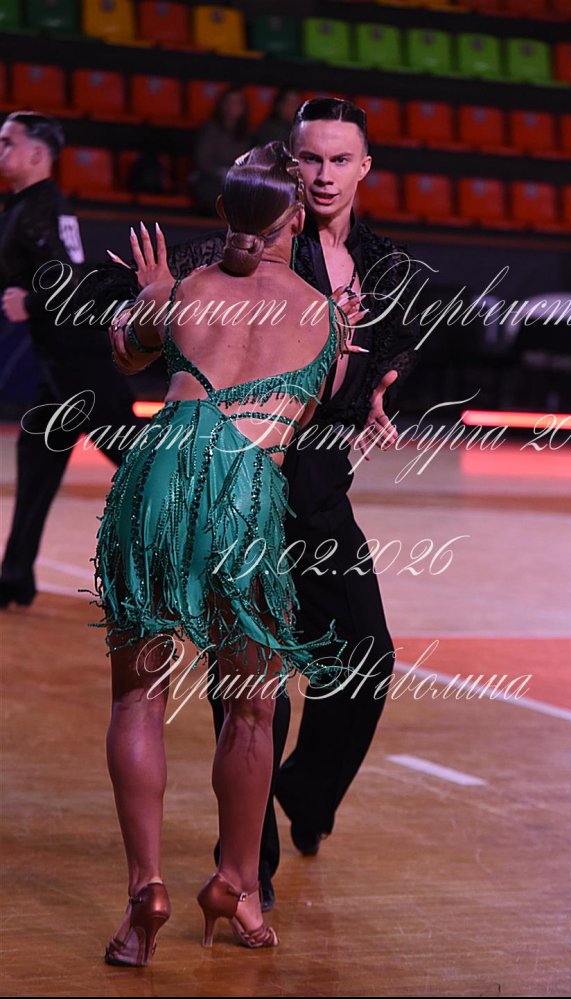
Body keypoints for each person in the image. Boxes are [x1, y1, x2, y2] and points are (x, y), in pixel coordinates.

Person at [87, 98, 421, 912]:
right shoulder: (248, 236)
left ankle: (300, 799)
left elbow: (392, 357)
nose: (322, 175)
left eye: (339, 160)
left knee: (364, 656)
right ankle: (247, 870)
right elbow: (169, 326)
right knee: (247, 692)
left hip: (303, 487)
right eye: (310, 159)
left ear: (364, 168)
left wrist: (383, 387)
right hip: (251, 481)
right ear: (289, 169)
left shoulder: (385, 266)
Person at [0, 111, 144, 609]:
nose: (1, 151)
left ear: (38, 154)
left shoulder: (39, 207)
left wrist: (29, 300)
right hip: (57, 362)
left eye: (8, 142)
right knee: (37, 460)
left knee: (139, 460)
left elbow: (68, 280)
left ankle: (211, 548)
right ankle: (15, 576)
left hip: (79, 361)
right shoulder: (32, 204)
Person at [189, 86, 251, 215]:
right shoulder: (210, 128)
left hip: (236, 182)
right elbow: (202, 161)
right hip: (211, 179)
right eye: (229, 102)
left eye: (237, 103)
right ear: (222, 105)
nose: (233, 106)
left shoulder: (246, 133)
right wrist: (222, 172)